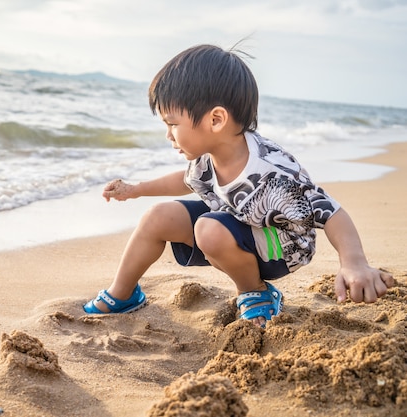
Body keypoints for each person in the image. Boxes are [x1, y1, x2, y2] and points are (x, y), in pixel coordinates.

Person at [83, 44, 395, 328]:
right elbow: (187, 179)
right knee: (157, 217)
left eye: (172, 124)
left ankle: (256, 292)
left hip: (281, 247)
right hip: (235, 223)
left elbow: (331, 211)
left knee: (209, 228)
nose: (168, 135)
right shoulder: (209, 156)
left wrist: (353, 263)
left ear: (215, 120)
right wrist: (136, 189)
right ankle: (122, 294)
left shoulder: (272, 171)